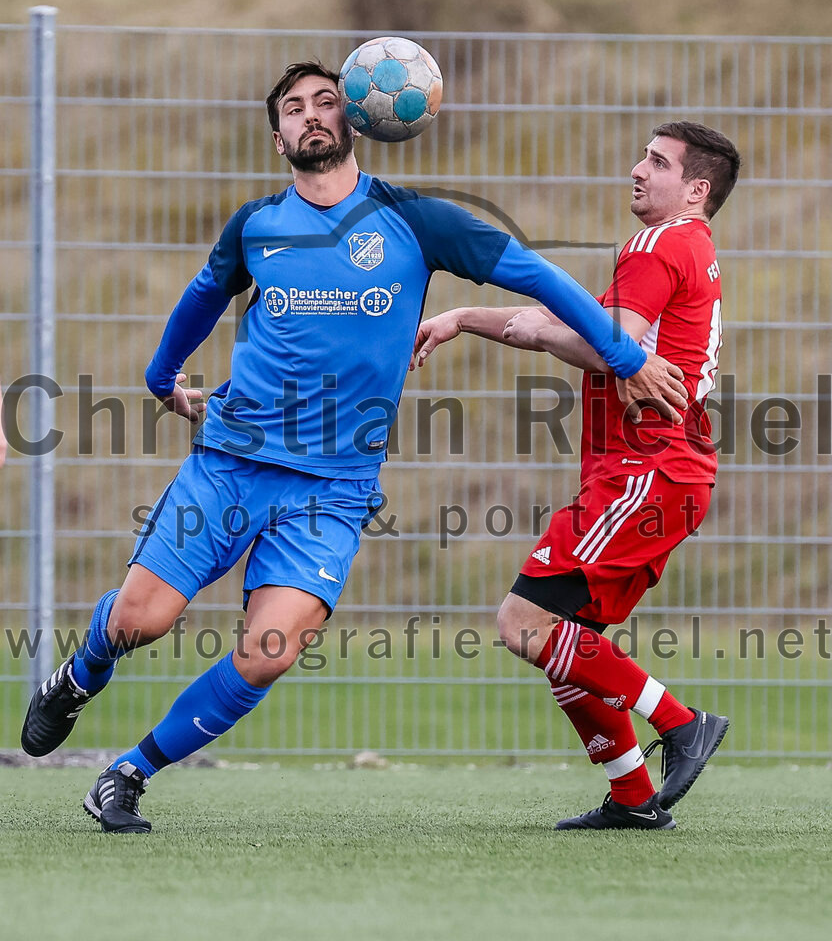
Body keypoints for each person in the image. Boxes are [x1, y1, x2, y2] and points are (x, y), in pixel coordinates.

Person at [21, 62, 686, 834]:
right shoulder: (256, 225)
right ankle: (82, 673)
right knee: (143, 619)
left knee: (268, 649)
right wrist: (161, 375)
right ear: (279, 139)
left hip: (331, 490)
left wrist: (627, 354)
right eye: (294, 108)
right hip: (231, 462)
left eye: (325, 102)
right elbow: (204, 294)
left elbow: (538, 276)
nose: (311, 115)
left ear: (357, 119)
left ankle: (128, 774)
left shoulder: (417, 222)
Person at [414, 121, 741, 830]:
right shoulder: (693, 248)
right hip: (657, 475)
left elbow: (608, 351)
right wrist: (468, 316)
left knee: (523, 624)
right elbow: (584, 332)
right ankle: (632, 799)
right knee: (565, 637)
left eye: (656, 162)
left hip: (645, 472)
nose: (636, 169)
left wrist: (482, 319)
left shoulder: (657, 245)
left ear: (695, 189)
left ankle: (682, 725)